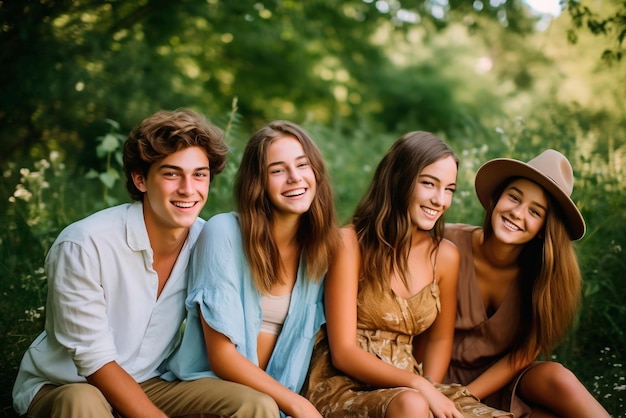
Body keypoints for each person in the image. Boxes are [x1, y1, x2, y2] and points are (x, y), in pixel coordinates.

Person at [12, 109, 278, 418]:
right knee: (82, 401)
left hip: (150, 382)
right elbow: (94, 361)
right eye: (171, 173)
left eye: (199, 174)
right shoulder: (84, 244)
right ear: (140, 179)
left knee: (255, 405)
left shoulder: (208, 241)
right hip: (66, 383)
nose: (188, 189)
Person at [304, 131, 511, 418]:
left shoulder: (446, 256)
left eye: (449, 189)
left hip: (412, 384)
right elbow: (343, 351)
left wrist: (430, 389)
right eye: (429, 184)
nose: (440, 200)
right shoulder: (349, 244)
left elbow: (439, 340)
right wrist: (418, 387)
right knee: (412, 404)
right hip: (345, 384)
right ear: (399, 179)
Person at [163, 120, 340, 418]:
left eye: (302, 165)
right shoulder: (224, 233)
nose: (295, 178)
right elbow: (221, 357)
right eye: (278, 170)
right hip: (209, 392)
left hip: (274, 401)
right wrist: (297, 404)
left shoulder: (319, 251)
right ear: (258, 182)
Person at [442, 149, 611, 417]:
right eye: (514, 197)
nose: (517, 213)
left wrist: (467, 396)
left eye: (535, 211)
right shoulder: (446, 243)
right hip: (434, 375)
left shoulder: (546, 275)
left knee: (558, 377)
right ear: (497, 198)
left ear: (545, 227)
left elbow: (523, 354)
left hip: (502, 381)